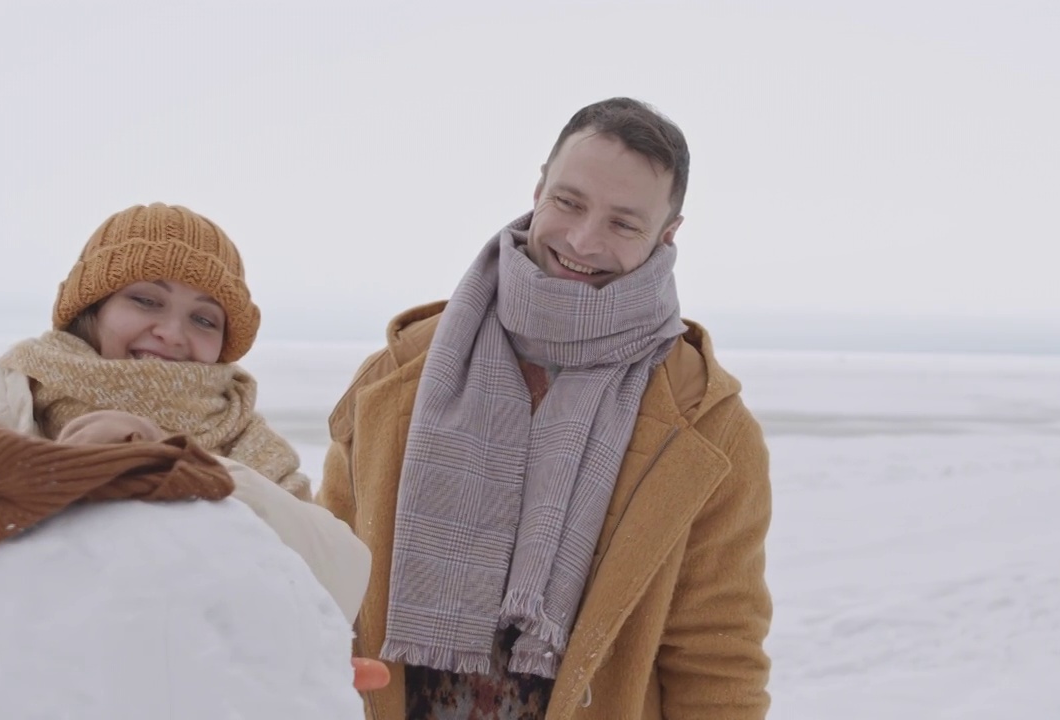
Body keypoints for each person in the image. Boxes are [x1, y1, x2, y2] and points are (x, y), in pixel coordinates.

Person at [318, 97, 773, 719]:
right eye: (569, 202)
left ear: (668, 234)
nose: (583, 240)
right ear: (538, 189)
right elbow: (325, 591)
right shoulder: (399, 376)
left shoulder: (707, 428)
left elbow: (716, 658)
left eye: (623, 223)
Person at [0, 201, 372, 622]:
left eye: (204, 319)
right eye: (146, 300)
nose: (172, 333)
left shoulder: (250, 445)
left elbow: (339, 581)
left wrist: (175, 464)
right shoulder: (7, 401)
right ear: (92, 308)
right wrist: (59, 469)